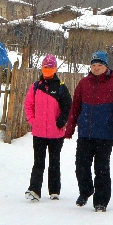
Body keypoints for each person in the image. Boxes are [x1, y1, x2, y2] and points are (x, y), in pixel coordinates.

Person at [65, 51, 113, 212]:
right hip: (85, 132)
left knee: (101, 168)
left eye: (99, 65)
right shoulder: (84, 83)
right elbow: (75, 108)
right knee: (81, 166)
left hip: (105, 134)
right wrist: (69, 129)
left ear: (106, 66)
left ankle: (101, 200)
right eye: (93, 65)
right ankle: (86, 190)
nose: (96, 68)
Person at [24, 54, 72, 202]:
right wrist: (33, 120)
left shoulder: (61, 87)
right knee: (38, 162)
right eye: (45, 67)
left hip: (56, 134)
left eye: (50, 67)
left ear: (55, 68)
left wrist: (61, 122)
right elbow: (28, 105)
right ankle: (34, 190)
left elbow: (68, 107)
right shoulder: (36, 86)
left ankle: (54, 191)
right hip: (38, 133)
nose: (47, 70)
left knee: (54, 162)